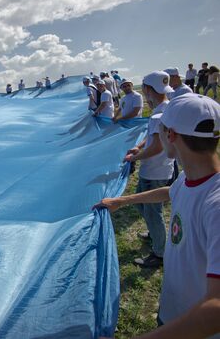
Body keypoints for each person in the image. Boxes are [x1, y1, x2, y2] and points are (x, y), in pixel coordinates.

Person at [94, 94, 220, 338]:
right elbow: (171, 192)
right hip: (175, 310)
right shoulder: (190, 176)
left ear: (171, 135)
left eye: (161, 130)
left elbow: (215, 310)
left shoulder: (215, 206)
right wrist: (123, 200)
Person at [122, 71, 174, 267]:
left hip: (155, 171)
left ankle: (160, 253)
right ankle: (155, 232)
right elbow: (152, 137)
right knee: (140, 204)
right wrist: (140, 145)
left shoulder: (160, 113)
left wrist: (134, 156)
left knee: (153, 211)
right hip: (157, 170)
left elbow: (157, 147)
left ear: (147, 89)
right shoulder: (165, 107)